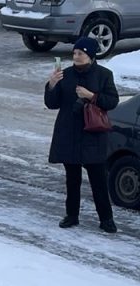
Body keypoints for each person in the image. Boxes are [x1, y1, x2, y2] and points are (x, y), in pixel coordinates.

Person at [46, 36, 119, 233]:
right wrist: (52, 85)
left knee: (98, 179)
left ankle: (106, 219)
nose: (76, 56)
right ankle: (72, 215)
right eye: (75, 53)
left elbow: (112, 101)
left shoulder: (104, 75)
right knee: (72, 179)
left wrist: (91, 96)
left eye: (80, 53)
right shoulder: (65, 75)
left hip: (93, 134)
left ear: (91, 55)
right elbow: (52, 103)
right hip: (69, 133)